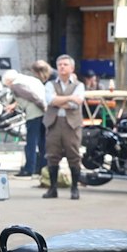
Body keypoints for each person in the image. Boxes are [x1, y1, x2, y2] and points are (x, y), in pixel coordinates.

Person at [42, 54, 88, 200]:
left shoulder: (79, 85)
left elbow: (77, 103)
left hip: (72, 125)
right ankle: (52, 188)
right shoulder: (50, 84)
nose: (62, 67)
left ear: (72, 68)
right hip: (53, 123)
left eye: (65, 64)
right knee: (52, 155)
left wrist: (58, 100)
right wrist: (69, 98)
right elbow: (50, 100)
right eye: (60, 64)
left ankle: (74, 188)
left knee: (73, 155)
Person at [2, 63, 50, 180]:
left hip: (35, 112)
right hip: (43, 112)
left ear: (9, 81)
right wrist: (14, 105)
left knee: (31, 142)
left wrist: (42, 106)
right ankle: (43, 168)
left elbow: (31, 96)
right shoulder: (28, 79)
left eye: (7, 84)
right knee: (42, 141)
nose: (8, 87)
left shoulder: (15, 85)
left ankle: (29, 168)